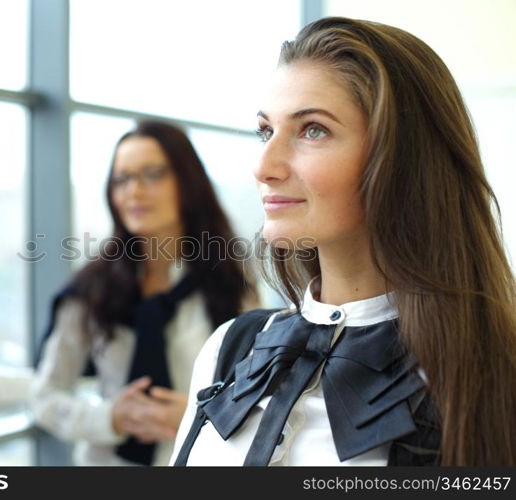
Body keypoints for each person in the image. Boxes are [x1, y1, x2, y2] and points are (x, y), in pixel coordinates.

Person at [171, 17, 516, 466]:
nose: (264, 165)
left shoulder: (490, 379)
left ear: (402, 160)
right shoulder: (229, 349)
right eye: (265, 131)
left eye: (313, 130)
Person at [31, 120, 256, 466]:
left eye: (152, 175)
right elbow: (44, 398)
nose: (134, 191)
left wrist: (200, 411)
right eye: (122, 179)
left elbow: (256, 388)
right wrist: (110, 418)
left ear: (187, 182)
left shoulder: (228, 279)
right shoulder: (89, 289)